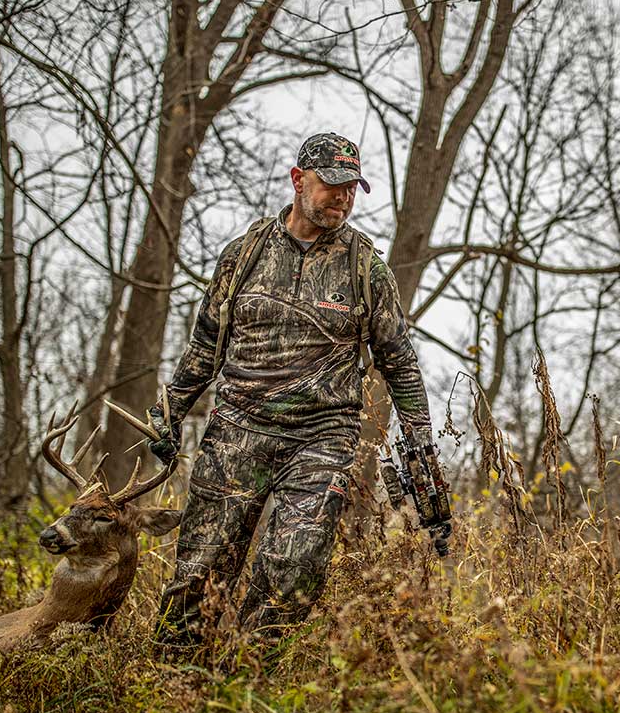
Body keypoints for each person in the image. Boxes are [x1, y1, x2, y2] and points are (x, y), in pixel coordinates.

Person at [144, 132, 437, 653]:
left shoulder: (366, 267)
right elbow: (206, 344)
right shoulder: (244, 255)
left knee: (295, 566)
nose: (343, 198)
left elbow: (400, 360)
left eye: (353, 190)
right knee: (200, 566)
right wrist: (169, 411)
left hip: (323, 436)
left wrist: (420, 441)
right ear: (299, 180)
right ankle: (173, 682)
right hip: (238, 428)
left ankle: (252, 675)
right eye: (333, 186)